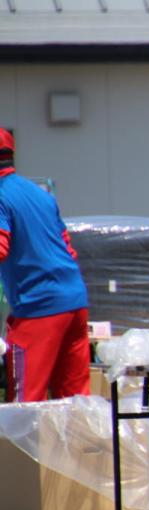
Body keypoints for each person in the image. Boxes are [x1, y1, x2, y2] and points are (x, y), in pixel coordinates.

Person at [0, 127, 91, 402]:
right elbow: (68, 248)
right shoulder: (40, 195)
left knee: (24, 402)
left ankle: (21, 448)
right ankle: (81, 446)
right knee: (74, 400)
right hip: (74, 301)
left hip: (38, 307)